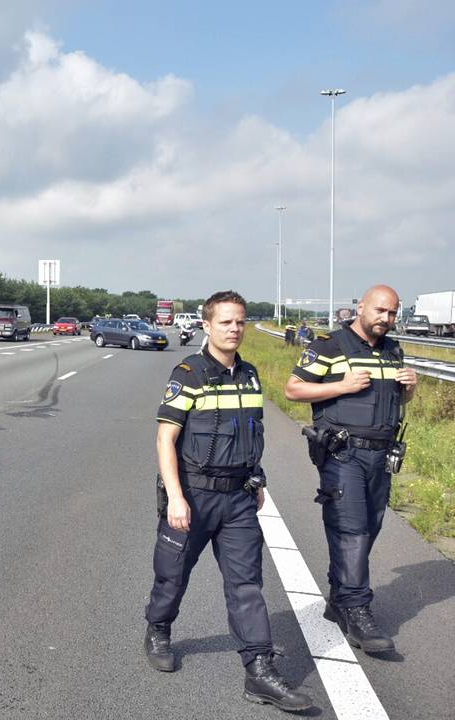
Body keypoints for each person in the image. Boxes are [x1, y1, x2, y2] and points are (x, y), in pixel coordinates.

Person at [144, 290, 312, 712]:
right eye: (225, 322)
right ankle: (159, 627)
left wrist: (256, 481)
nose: (234, 329)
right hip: (194, 496)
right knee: (172, 574)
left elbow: (250, 434)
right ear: (207, 325)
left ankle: (259, 670)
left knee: (246, 584)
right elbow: (166, 438)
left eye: (239, 321)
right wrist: (177, 497)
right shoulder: (188, 373)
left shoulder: (251, 375)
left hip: (238, 499)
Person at [284, 285, 418, 654]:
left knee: (369, 528)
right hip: (344, 454)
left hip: (382, 455)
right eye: (380, 311)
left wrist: (410, 388)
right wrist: (342, 385)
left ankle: (339, 595)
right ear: (361, 307)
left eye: (392, 313)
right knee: (352, 529)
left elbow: (396, 401)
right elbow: (293, 389)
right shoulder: (329, 346)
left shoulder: (393, 349)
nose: (386, 319)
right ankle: (358, 610)